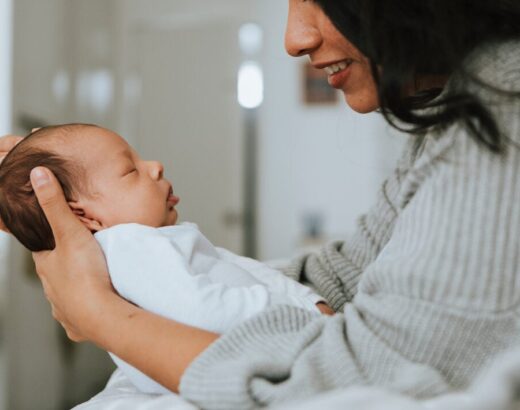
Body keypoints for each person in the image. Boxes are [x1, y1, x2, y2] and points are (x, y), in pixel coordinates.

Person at [1, 0, 520, 408]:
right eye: (129, 168)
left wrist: (99, 312)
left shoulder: (503, 111)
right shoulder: (464, 108)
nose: (294, 39)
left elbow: (360, 381)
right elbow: (342, 276)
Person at [0, 124, 329, 394]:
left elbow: (239, 271)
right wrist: (301, 314)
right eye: (130, 170)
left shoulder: (144, 243)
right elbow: (202, 313)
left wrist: (305, 299)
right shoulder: (129, 245)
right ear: (85, 216)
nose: (155, 167)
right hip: (233, 361)